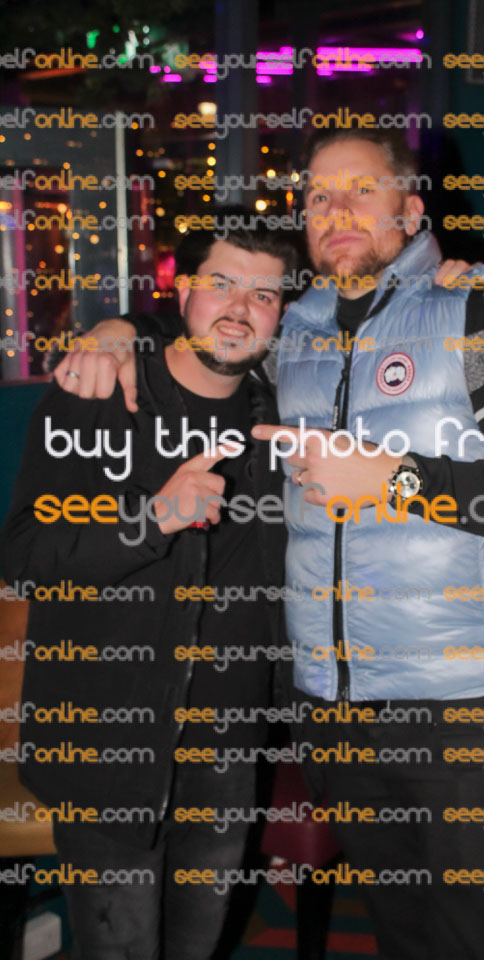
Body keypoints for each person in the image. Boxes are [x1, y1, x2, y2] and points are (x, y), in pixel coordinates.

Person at [52, 129, 484, 960]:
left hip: (470, 710)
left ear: (412, 209)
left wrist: (394, 478)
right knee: (401, 938)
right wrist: (121, 328)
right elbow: (218, 330)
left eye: (361, 190)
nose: (335, 210)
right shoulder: (297, 330)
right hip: (335, 714)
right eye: (316, 196)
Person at [1, 223, 297, 960]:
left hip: (227, 748)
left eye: (263, 295)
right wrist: (154, 519)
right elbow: (25, 558)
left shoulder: (281, 414)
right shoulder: (96, 397)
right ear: (184, 289)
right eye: (221, 284)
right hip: (110, 742)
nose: (240, 309)